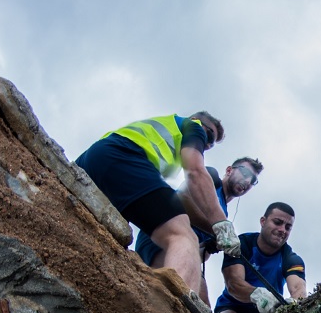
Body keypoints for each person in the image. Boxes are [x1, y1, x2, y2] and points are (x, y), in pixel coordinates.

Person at [74, 111, 239, 297]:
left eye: (211, 143)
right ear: (197, 121)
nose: (207, 145)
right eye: (209, 136)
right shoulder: (192, 127)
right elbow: (195, 172)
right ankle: (177, 309)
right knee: (184, 236)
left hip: (94, 158)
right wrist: (221, 224)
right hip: (126, 157)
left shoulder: (165, 127)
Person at [133, 157, 264, 305]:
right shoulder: (210, 178)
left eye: (252, 181)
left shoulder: (223, 215)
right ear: (229, 170)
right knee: (176, 296)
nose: (247, 181)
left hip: (186, 250)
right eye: (245, 173)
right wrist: (215, 229)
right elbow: (181, 198)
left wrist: (210, 246)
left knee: (203, 307)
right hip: (162, 238)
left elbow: (201, 254)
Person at [214, 202, 306, 313]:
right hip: (234, 308)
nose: (282, 230)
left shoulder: (291, 258)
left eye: (288, 227)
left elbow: (298, 289)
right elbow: (233, 283)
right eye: (277, 222)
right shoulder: (242, 244)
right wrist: (257, 294)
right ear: (263, 221)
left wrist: (296, 302)